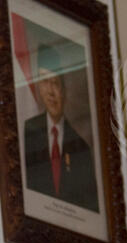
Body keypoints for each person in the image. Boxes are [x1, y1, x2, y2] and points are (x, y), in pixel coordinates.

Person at [22, 46, 99, 212]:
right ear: (38, 87)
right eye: (45, 81)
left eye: (55, 83)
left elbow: (89, 208)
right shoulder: (27, 132)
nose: (51, 91)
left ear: (64, 91)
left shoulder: (81, 148)